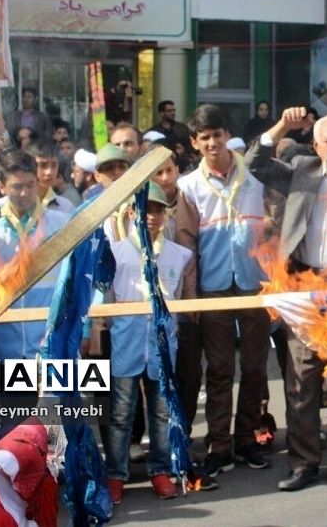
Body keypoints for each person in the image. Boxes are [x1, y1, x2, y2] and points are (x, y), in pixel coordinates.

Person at [245, 106, 327, 491]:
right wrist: (281, 125)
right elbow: (254, 163)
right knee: (301, 382)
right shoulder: (300, 174)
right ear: (315, 144)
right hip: (306, 289)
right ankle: (303, 464)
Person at [174, 104, 272, 479]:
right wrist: (192, 298)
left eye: (217, 134)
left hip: (254, 284)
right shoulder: (188, 186)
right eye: (205, 137)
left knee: (254, 367)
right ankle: (219, 445)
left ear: (227, 135)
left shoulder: (254, 171)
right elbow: (186, 245)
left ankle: (246, 439)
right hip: (213, 288)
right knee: (218, 369)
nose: (213, 142)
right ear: (195, 143)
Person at [102, 183, 196, 504]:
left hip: (162, 347)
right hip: (126, 343)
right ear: (131, 214)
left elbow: (179, 300)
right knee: (120, 414)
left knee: (160, 412)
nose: (152, 216)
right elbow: (107, 303)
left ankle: (160, 469)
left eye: (158, 209)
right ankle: (115, 474)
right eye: (145, 209)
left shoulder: (179, 255)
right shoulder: (115, 254)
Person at [0, 151, 70, 442]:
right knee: (11, 427)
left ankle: (57, 485)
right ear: (1, 187)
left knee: (55, 428)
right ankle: (14, 488)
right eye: (17, 186)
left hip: (52, 342)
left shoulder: (61, 224)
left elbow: (78, 279)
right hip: (6, 347)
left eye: (30, 185)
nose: (24, 193)